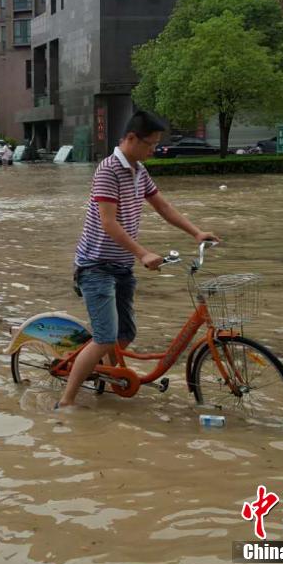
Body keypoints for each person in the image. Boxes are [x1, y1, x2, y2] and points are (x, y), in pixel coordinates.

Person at [57, 111, 220, 409]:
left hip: (120, 267)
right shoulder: (108, 170)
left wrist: (196, 233)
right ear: (131, 138)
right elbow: (109, 222)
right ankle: (66, 402)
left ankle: (104, 376)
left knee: (126, 333)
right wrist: (142, 252)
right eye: (150, 144)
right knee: (106, 337)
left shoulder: (139, 170)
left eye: (156, 145)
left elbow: (163, 206)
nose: (153, 150)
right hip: (95, 267)